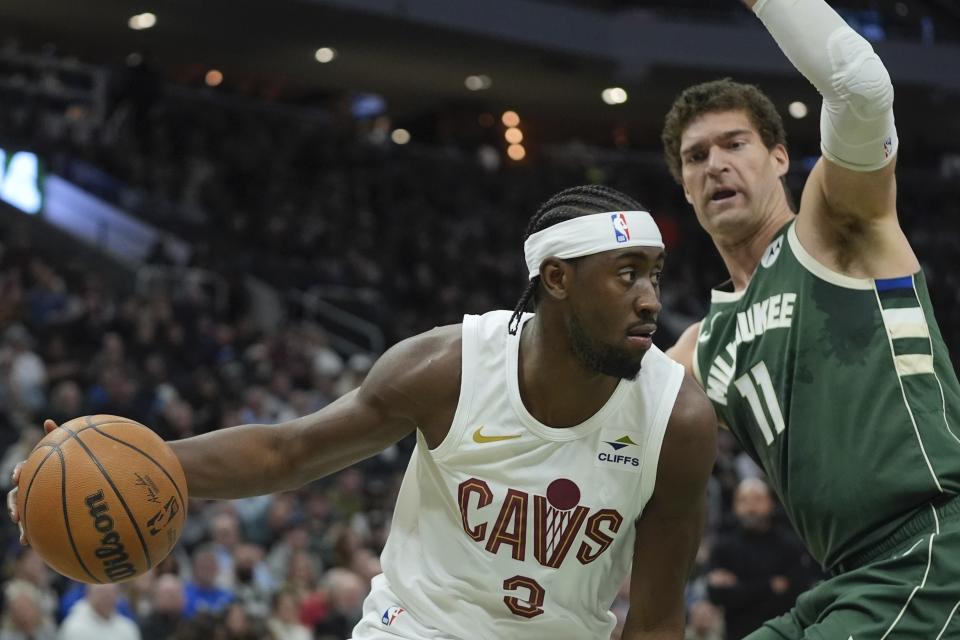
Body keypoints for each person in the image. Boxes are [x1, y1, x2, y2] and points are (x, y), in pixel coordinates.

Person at [9, 185, 717, 639]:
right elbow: (287, 452)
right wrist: (110, 469)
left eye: (654, 275)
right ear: (557, 279)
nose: (651, 299)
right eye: (627, 275)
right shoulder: (449, 368)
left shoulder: (675, 421)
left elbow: (655, 620)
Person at [662, 1, 960, 637]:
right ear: (685, 189)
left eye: (734, 144)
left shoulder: (832, 229)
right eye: (695, 157)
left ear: (777, 157)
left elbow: (861, 87)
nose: (714, 163)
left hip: (936, 544)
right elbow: (598, 445)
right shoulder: (699, 347)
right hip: (849, 579)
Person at [705, 479, 810, 639]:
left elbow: (796, 594)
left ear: (771, 503)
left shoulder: (789, 545)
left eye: (757, 499)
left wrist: (739, 588)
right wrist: (770, 586)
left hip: (780, 634)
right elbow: (716, 595)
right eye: (743, 500)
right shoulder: (723, 547)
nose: (750, 508)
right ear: (734, 506)